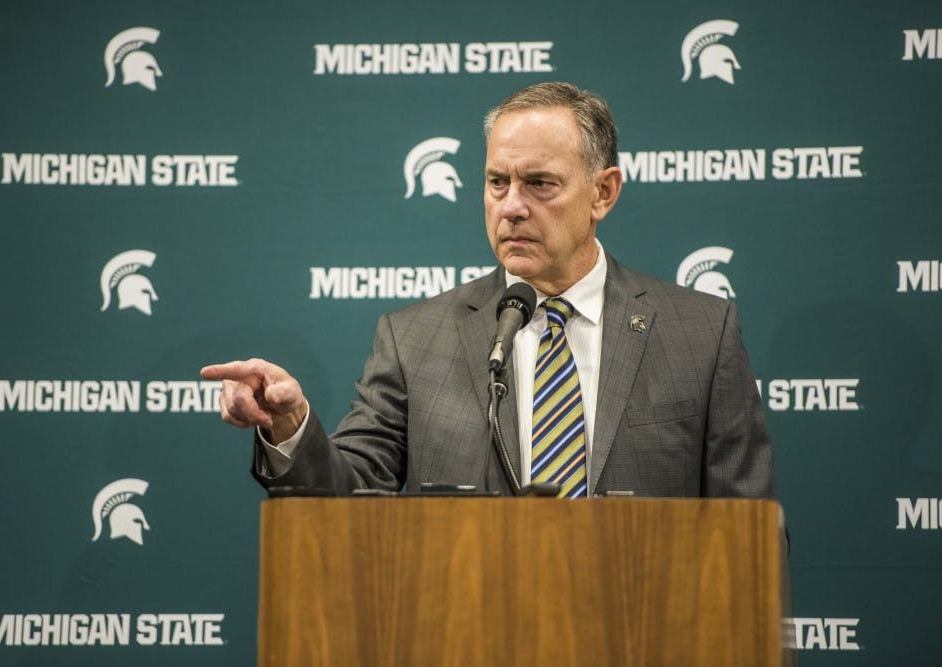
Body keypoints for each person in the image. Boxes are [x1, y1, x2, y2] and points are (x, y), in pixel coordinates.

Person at [201, 82, 776, 499]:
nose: (512, 207)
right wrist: (292, 424)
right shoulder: (415, 339)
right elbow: (349, 499)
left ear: (604, 193)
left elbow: (750, 538)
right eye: (497, 183)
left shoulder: (700, 334)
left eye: (540, 184)